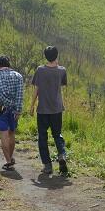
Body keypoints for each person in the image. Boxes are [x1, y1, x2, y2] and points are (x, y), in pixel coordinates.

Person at [29, 46, 69, 175]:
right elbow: (61, 85)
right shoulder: (62, 70)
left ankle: (47, 165)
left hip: (43, 109)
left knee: (42, 137)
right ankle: (62, 154)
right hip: (57, 108)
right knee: (57, 134)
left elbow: (37, 89)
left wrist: (31, 105)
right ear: (56, 56)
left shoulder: (40, 70)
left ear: (45, 56)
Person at [0, 55, 24, 170]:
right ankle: (10, 158)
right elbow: (20, 95)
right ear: (8, 64)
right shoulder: (18, 76)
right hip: (14, 110)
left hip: (1, 110)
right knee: (11, 134)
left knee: (4, 135)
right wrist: (18, 110)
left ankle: (8, 160)